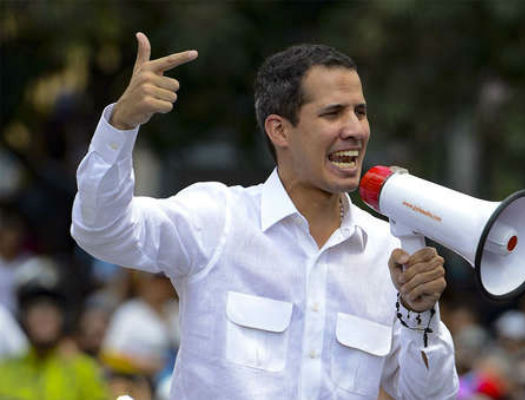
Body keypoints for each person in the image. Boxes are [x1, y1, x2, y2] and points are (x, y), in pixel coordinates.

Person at [71, 32, 458, 399]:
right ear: (280, 130)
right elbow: (101, 231)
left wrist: (419, 314)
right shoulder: (218, 219)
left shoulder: (388, 251)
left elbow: (430, 395)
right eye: (333, 113)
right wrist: (120, 125)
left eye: (360, 112)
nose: (355, 129)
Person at [0, 260, 109, 400]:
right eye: (36, 309)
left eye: (50, 309)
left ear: (63, 317)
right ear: (23, 317)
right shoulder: (5, 371)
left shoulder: (84, 371)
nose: (43, 317)